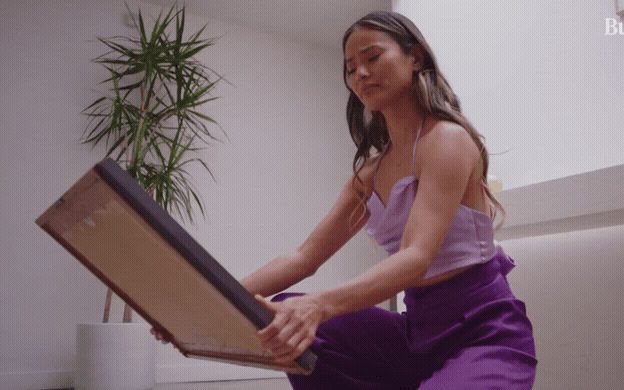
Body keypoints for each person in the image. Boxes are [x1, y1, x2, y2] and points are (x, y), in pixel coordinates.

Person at [153, 10, 537, 389]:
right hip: (416, 333)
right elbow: (303, 258)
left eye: (372, 57)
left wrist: (320, 305)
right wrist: (204, 304)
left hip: (484, 335)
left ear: (415, 56)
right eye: (351, 68)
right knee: (283, 314)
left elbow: (416, 256)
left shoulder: (446, 140)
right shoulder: (370, 174)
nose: (360, 74)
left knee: (308, 313)